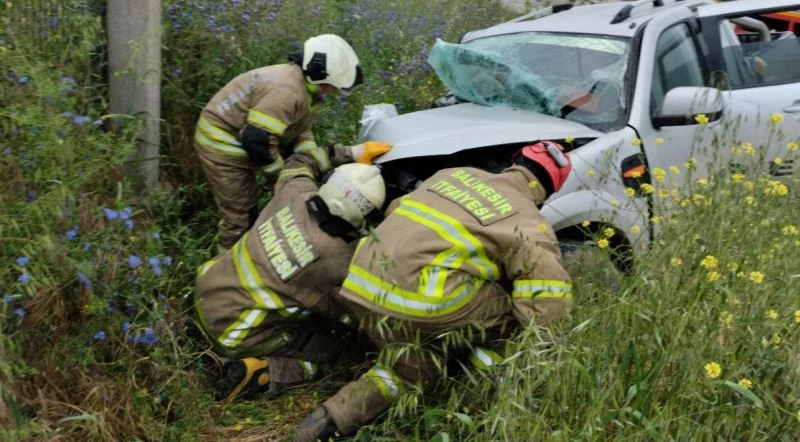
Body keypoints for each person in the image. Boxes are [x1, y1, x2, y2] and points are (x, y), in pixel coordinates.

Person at [295, 142, 575, 441]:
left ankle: (327, 422)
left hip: (362, 280)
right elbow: (546, 306)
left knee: (410, 370)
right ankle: (484, 398)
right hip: (419, 298)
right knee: (512, 317)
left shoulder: (454, 174)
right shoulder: (530, 223)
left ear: (514, 161)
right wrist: (550, 362)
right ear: (550, 190)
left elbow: (395, 209)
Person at [194, 148, 388, 402]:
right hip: (234, 331)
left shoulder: (294, 192)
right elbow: (353, 318)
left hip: (204, 290)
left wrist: (352, 152)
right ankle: (262, 373)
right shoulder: (339, 261)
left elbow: (299, 161)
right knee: (327, 352)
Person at [195, 34, 371, 250]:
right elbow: (256, 140)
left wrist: (310, 163)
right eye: (330, 86)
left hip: (245, 135)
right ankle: (222, 267)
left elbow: (299, 130)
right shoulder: (287, 91)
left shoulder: (307, 89)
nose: (332, 91)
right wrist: (280, 177)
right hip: (221, 143)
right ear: (317, 73)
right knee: (241, 215)